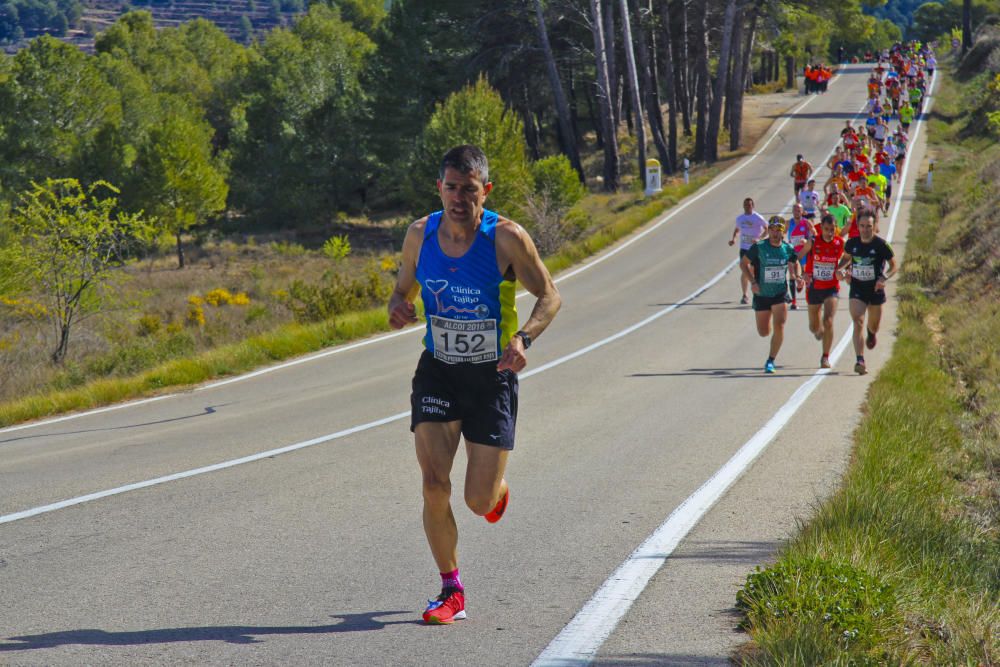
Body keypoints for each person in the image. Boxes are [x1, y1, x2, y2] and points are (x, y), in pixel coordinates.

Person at [387, 145, 561, 625]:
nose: (458, 197)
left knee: (477, 501)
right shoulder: (420, 234)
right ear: (438, 187)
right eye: (450, 187)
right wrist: (398, 306)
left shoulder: (506, 238)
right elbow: (403, 288)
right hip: (439, 369)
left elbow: (550, 294)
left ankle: (497, 491)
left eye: (469, 188)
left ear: (486, 188)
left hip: (492, 376)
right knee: (432, 483)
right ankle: (451, 590)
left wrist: (524, 338)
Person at [742, 216, 804, 373]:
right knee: (764, 332)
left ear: (783, 233)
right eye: (773, 230)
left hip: (779, 293)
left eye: (779, 231)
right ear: (768, 230)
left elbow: (795, 262)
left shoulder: (787, 248)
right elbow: (743, 263)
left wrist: (798, 277)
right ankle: (767, 319)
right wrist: (753, 282)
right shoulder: (760, 247)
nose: (775, 234)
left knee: (780, 325)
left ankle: (770, 360)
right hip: (762, 294)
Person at [837, 212, 896, 375]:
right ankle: (860, 360)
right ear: (858, 226)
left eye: (868, 226)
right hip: (857, 289)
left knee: (873, 326)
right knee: (857, 322)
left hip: (876, 290)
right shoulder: (851, 243)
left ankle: (871, 334)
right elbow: (846, 259)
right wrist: (840, 270)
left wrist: (883, 278)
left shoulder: (881, 245)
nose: (865, 230)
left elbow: (893, 266)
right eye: (862, 226)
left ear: (874, 226)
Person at [797, 214, 845, 368]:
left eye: (832, 230)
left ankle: (825, 357)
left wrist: (843, 270)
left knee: (829, 320)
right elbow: (798, 257)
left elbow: (848, 259)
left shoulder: (840, 243)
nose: (829, 233)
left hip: (831, 287)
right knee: (814, 327)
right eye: (826, 229)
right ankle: (819, 330)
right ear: (821, 228)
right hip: (814, 287)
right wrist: (802, 273)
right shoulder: (813, 242)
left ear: (836, 229)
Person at [728, 196, 769, 304]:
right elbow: (737, 230)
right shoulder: (740, 218)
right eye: (746, 205)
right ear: (743, 206)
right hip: (744, 248)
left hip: (755, 248)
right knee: (745, 271)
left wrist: (759, 238)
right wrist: (733, 239)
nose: (747, 207)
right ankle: (745, 295)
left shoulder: (758, 217)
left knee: (754, 270)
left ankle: (759, 291)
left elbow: (767, 229)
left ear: (753, 206)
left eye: (749, 205)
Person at [786, 203, 815, 310]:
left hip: (804, 252)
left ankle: (808, 294)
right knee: (792, 275)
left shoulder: (807, 222)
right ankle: (794, 301)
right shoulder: (788, 223)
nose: (796, 212)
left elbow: (814, 234)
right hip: (793, 252)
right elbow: (782, 234)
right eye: (795, 210)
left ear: (802, 212)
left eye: (799, 210)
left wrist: (806, 241)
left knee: (806, 275)